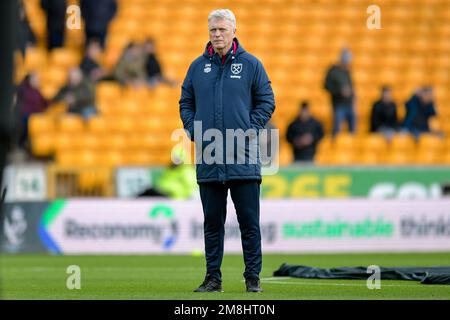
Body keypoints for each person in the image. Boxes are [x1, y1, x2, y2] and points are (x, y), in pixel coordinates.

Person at [179, 9, 275, 293]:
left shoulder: (251, 65)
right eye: (213, 30)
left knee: (249, 223)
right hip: (209, 158)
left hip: (243, 158)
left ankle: (253, 278)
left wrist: (250, 128)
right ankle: (212, 279)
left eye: (222, 29)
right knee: (212, 224)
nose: (217, 34)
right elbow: (185, 101)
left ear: (234, 30)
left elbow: (267, 101)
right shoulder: (197, 67)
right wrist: (193, 129)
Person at [324, 48, 356, 136]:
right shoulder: (333, 71)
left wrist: (352, 97)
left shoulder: (347, 72)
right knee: (337, 128)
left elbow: (351, 86)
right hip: (338, 104)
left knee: (352, 129)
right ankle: (335, 144)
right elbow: (326, 86)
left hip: (349, 103)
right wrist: (340, 91)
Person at [14, 73, 48, 151]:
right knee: (26, 121)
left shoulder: (37, 91)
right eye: (35, 80)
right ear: (30, 80)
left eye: (38, 80)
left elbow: (45, 103)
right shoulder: (23, 89)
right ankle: (21, 143)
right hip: (25, 114)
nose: (37, 81)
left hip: (35, 115)